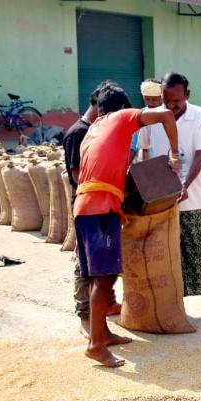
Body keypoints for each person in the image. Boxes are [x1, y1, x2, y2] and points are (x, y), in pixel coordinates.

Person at [73, 84, 180, 367]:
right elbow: (167, 116)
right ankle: (95, 345)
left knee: (98, 277)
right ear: (122, 108)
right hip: (100, 208)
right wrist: (175, 152)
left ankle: (103, 334)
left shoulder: (91, 131)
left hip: (84, 207)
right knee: (104, 278)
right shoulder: (121, 118)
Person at [140, 71, 201, 320]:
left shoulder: (198, 115)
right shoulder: (152, 116)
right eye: (166, 101)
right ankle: (173, 305)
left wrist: (186, 185)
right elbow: (144, 152)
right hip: (161, 199)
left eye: (175, 101)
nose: (170, 106)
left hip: (195, 196)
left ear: (187, 95)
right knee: (167, 254)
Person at [63, 81, 121, 338]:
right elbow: (78, 175)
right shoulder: (79, 133)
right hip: (87, 206)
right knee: (85, 266)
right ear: (98, 106)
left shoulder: (97, 129)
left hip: (99, 203)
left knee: (104, 264)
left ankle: (107, 304)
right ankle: (85, 316)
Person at [132, 79, 163, 163]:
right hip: (146, 164)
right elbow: (134, 147)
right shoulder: (140, 116)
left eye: (154, 100)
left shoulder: (169, 116)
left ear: (162, 97)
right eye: (147, 99)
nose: (151, 103)